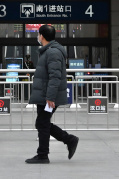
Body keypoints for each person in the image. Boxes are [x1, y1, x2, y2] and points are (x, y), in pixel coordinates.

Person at [25, 24, 78, 164]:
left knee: (42, 123)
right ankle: (68, 140)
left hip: (47, 96)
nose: (38, 36)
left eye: (38, 34)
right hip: (45, 94)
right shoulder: (48, 51)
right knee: (42, 123)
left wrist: (50, 96)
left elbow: (55, 76)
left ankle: (44, 154)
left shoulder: (52, 52)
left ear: (42, 36)